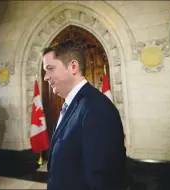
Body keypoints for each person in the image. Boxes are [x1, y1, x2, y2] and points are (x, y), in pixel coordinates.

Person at [42, 40, 126, 190]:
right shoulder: (72, 104)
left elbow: (103, 181)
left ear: (73, 66)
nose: (45, 77)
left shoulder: (97, 109)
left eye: (50, 69)